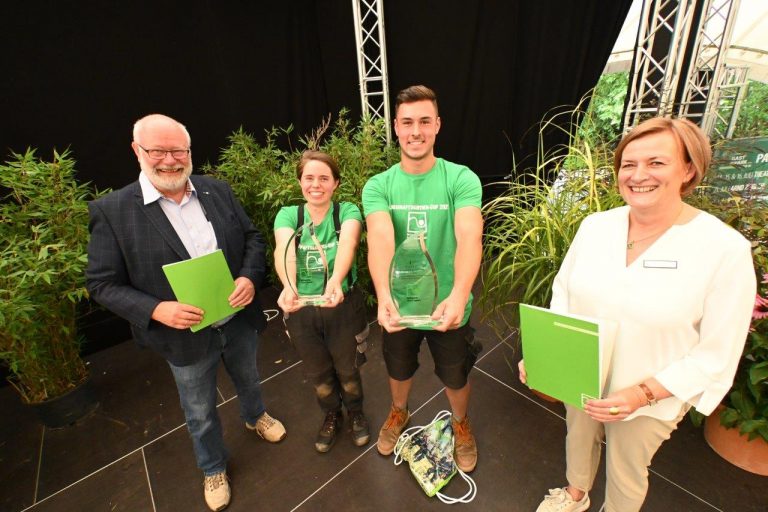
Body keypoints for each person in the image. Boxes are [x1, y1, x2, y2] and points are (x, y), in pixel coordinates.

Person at [521, 117, 756, 512]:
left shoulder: (723, 250)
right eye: (628, 164)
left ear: (688, 169)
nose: (638, 175)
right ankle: (575, 493)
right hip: (582, 372)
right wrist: (547, 356)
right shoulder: (596, 227)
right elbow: (564, 294)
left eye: (656, 162)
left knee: (627, 468)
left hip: (652, 394)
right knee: (578, 435)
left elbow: (717, 352)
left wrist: (641, 394)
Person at [86, 114, 286, 512]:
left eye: (178, 150)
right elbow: (102, 283)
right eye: (157, 151)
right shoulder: (113, 210)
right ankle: (213, 466)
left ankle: (256, 416)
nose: (170, 160)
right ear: (137, 151)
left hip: (237, 318)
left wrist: (249, 277)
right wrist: (156, 309)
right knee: (199, 410)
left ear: (189, 151)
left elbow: (253, 239)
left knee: (249, 378)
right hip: (183, 335)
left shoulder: (216, 190)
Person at [362, 85, 484, 472]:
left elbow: (470, 236)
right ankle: (399, 411)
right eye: (408, 122)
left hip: (448, 304)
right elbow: (380, 238)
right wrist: (384, 295)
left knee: (455, 374)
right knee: (398, 368)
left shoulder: (461, 178)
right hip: (400, 306)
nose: (416, 131)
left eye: (425, 122)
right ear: (396, 127)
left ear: (437, 126)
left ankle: (461, 424)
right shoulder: (379, 186)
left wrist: (459, 293)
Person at [273, 150, 370, 453]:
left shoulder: (347, 211)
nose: (316, 185)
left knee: (348, 369)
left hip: (342, 305)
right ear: (300, 181)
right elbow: (284, 250)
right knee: (318, 373)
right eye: (309, 178)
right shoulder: (289, 215)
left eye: (324, 178)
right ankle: (331, 413)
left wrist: (335, 280)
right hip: (302, 311)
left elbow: (348, 244)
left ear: (336, 183)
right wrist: (289, 286)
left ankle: (356, 412)